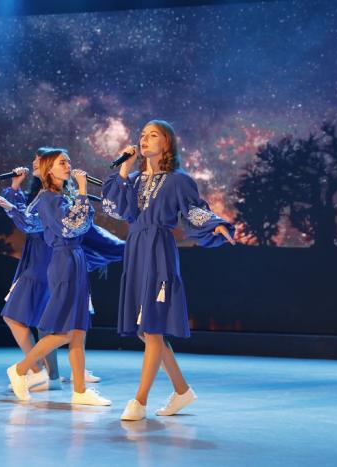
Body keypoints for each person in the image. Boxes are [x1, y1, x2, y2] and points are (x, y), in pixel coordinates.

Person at [101, 120, 235, 421]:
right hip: (135, 251)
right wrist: (124, 169)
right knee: (146, 331)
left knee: (152, 327)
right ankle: (182, 390)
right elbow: (115, 209)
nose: (145, 139)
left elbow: (194, 210)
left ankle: (139, 400)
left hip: (158, 251)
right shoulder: (132, 180)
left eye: (153, 135)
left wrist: (216, 225)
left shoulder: (178, 180)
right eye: (142, 135)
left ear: (167, 143)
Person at [0, 148, 111, 405]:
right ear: (49, 170)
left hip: (75, 258)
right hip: (64, 260)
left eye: (68, 161)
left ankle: (80, 391)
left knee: (78, 330)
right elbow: (72, 227)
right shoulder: (49, 198)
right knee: (67, 331)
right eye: (62, 163)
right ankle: (21, 369)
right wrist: (83, 191)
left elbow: (71, 225)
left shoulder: (59, 196)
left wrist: (79, 195)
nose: (68, 166)